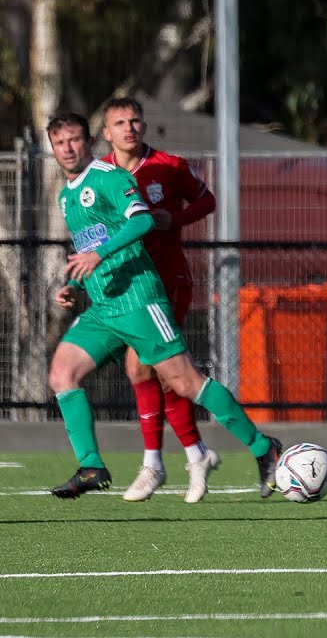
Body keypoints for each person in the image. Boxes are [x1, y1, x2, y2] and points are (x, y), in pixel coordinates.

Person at [43, 111, 282, 500]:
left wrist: (99, 255)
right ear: (52, 148)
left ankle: (263, 448)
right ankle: (91, 465)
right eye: (59, 143)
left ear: (89, 142)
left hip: (139, 299)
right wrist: (72, 285)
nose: (67, 149)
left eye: (74, 140)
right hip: (104, 307)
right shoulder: (68, 194)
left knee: (185, 382)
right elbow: (86, 248)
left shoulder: (110, 177)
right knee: (62, 374)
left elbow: (141, 223)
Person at [99, 97, 220, 503]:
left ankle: (155, 463)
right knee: (158, 373)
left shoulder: (169, 166)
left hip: (168, 282)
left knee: (144, 366)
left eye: (135, 120)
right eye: (120, 122)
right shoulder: (100, 175)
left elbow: (208, 200)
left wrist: (177, 219)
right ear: (107, 132)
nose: (129, 128)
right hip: (128, 286)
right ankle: (194, 455)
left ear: (144, 126)